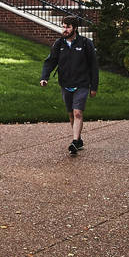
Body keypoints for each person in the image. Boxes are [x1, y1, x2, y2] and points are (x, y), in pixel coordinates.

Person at [40, 17, 99, 155]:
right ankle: (78, 140)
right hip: (66, 84)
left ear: (75, 28)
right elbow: (50, 62)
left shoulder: (85, 43)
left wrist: (94, 87)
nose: (64, 30)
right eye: (63, 27)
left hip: (82, 84)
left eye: (67, 27)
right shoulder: (59, 44)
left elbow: (93, 67)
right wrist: (44, 77)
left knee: (77, 112)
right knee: (71, 115)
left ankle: (74, 141)